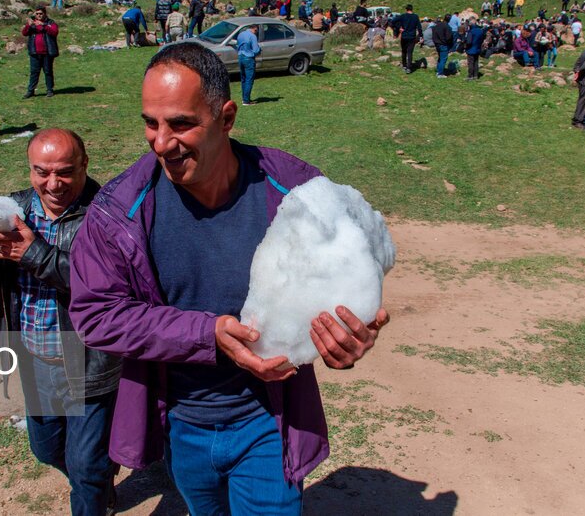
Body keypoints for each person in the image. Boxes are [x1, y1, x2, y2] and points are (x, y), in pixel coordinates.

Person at [67, 43, 389, 516]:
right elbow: (96, 316)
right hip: (180, 422)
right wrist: (207, 334)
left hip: (267, 421)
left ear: (226, 117)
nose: (161, 142)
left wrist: (346, 336)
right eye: (150, 123)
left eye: (180, 123)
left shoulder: (296, 193)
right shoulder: (119, 210)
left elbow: (349, 283)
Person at [0, 128, 121, 516]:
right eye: (41, 172)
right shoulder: (11, 211)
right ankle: (100, 473)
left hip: (88, 364)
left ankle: (94, 483)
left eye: (64, 171)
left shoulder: (108, 214)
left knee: (85, 467)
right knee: (46, 450)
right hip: (31, 360)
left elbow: (105, 288)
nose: (53, 183)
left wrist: (35, 254)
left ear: (84, 165)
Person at [21, 6, 60, 99]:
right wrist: (28, 25)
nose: (39, 15)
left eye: (41, 14)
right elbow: (24, 33)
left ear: (45, 14)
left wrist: (43, 25)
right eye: (37, 14)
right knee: (34, 72)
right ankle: (30, 91)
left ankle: (50, 90)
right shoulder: (32, 23)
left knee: (48, 71)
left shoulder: (50, 23)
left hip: (47, 52)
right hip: (35, 52)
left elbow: (54, 32)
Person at [236, 24, 261, 105]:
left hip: (240, 57)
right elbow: (256, 50)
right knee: (249, 80)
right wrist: (259, 49)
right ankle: (246, 100)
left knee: (243, 79)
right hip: (249, 58)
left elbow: (237, 45)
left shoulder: (241, 34)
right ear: (255, 29)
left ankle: (244, 98)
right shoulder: (253, 36)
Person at [398, 4, 422, 73]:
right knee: (410, 52)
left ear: (406, 9)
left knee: (404, 51)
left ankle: (404, 65)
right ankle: (409, 67)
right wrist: (421, 36)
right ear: (412, 9)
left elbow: (393, 21)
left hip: (404, 36)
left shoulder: (403, 16)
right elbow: (419, 27)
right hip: (412, 37)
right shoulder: (415, 16)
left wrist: (399, 28)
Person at [465, 16, 485, 80]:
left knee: (471, 62)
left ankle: (470, 76)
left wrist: (465, 45)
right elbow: (482, 39)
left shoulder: (471, 31)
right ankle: (476, 75)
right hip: (478, 48)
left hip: (471, 48)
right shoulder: (480, 31)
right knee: (476, 62)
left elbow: (469, 41)